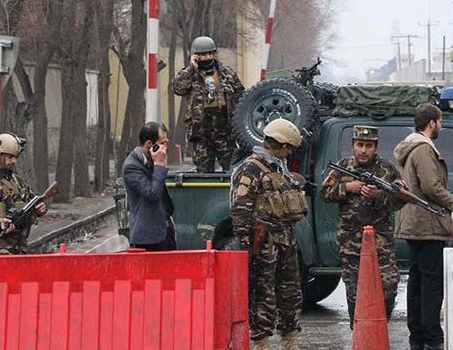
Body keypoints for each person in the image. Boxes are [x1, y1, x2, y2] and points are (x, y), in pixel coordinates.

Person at [230, 119, 307, 350]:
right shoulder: (250, 168)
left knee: (291, 293)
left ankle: (289, 341)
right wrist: (245, 245)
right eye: (288, 148)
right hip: (264, 243)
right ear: (280, 144)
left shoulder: (279, 167)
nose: (290, 152)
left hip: (286, 239)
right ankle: (262, 343)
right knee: (263, 295)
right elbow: (240, 208)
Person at [320, 125, 404, 329]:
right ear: (353, 146)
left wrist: (378, 197)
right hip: (351, 243)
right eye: (360, 145)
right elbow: (324, 193)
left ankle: (379, 328)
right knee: (354, 292)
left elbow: (400, 200)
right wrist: (347, 188)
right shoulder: (342, 167)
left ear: (375, 147)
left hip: (380, 242)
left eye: (368, 146)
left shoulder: (387, 169)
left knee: (388, 287)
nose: (363, 150)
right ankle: (359, 332)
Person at [393, 104, 453, 350]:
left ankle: (418, 338)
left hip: (416, 223)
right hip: (427, 223)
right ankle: (432, 337)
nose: (441, 126)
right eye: (440, 121)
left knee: (418, 281)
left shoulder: (412, 146)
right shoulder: (423, 149)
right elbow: (432, 186)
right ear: (431, 123)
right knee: (430, 285)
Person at [172, 36, 245, 173]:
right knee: (203, 174)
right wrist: (191, 68)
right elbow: (177, 88)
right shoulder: (190, 75)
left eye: (210, 53)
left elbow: (242, 96)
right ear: (195, 56)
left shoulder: (227, 73)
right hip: (202, 135)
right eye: (203, 54)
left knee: (232, 172)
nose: (207, 57)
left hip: (225, 133)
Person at [0, 133, 47, 254]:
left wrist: (40, 209)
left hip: (18, 246)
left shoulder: (16, 180)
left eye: (15, 157)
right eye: (10, 157)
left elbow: (31, 200)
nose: (14, 161)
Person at [122, 122, 176, 251]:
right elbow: (152, 193)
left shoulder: (151, 160)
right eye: (163, 143)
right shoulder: (132, 166)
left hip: (164, 231)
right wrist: (159, 164)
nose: (166, 147)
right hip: (148, 238)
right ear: (149, 145)